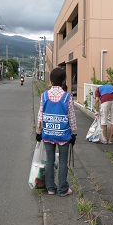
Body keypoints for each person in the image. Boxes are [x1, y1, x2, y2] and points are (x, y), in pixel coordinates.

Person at [36, 68, 77, 197]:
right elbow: (72, 117)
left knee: (49, 160)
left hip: (47, 133)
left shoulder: (44, 96)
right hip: (63, 135)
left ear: (51, 80)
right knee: (63, 161)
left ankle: (51, 188)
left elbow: (40, 115)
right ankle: (63, 189)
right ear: (64, 80)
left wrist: (38, 131)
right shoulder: (67, 97)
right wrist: (74, 133)